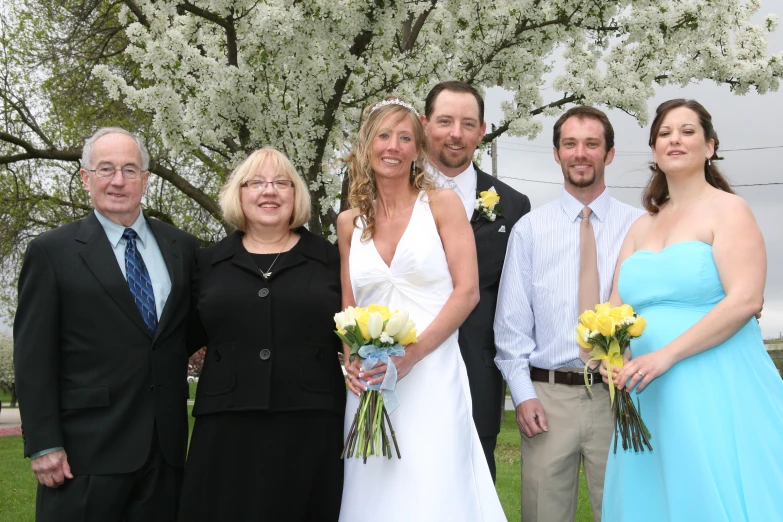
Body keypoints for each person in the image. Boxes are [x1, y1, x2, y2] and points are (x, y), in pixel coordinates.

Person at [601, 99, 783, 522]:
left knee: (712, 486)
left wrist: (666, 355)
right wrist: (613, 356)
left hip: (715, 380)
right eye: (664, 133)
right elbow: (614, 311)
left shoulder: (729, 209)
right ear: (654, 150)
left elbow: (745, 300)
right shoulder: (640, 226)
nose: (674, 140)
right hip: (649, 391)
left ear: (710, 146)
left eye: (687, 131)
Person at [13, 127, 199, 521]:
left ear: (145, 180)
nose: (118, 181)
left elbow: (190, 331)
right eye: (106, 169)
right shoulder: (51, 252)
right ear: (86, 178)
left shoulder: (182, 247)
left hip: (164, 453)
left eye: (130, 170)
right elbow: (33, 356)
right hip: (84, 455)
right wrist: (44, 443)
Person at [337, 98, 506, 521]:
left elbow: (467, 292)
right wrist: (352, 360)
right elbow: (349, 305)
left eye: (405, 137)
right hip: (372, 381)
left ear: (418, 149)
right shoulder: (348, 223)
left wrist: (413, 354)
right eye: (383, 135)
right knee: (374, 491)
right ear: (367, 144)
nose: (393, 146)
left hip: (432, 372)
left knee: (435, 487)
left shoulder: (443, 205)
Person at [178, 148, 345, 522]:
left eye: (281, 183)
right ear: (238, 194)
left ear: (296, 194)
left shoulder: (331, 259)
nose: (269, 191)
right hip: (226, 427)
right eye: (256, 183)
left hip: (312, 424)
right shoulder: (206, 264)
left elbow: (353, 335)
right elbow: (180, 338)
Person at [494, 107, 644, 522]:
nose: (581, 153)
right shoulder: (529, 230)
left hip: (621, 397)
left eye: (592, 144)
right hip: (548, 398)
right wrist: (522, 395)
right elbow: (511, 329)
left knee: (626, 511)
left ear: (609, 154)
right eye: (571, 144)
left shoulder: (642, 227)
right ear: (557, 153)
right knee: (544, 514)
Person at [421, 81, 530, 481]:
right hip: (403, 364)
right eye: (445, 121)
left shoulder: (513, 205)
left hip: (477, 371)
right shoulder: (390, 193)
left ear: (481, 131)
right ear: (424, 123)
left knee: (474, 487)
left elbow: (513, 299)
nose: (456, 134)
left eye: (468, 124)